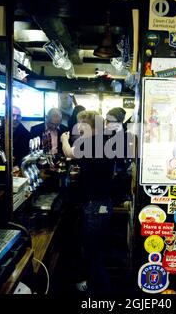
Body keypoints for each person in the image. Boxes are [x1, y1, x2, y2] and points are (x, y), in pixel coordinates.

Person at [61, 110, 115, 295]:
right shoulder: (104, 142)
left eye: (81, 124)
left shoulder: (91, 142)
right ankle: (98, 286)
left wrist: (63, 139)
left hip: (96, 206)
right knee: (96, 249)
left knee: (92, 251)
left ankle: (98, 290)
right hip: (103, 203)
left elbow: (69, 153)